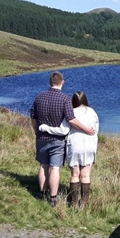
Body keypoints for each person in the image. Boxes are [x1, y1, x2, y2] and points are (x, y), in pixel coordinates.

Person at [29, 72, 94, 207]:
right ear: (62, 82)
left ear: (50, 82)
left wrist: (36, 131)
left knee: (43, 166)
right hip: (58, 140)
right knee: (55, 168)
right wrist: (87, 130)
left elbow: (33, 117)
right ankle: (53, 197)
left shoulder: (39, 97)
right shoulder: (65, 99)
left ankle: (41, 193)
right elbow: (71, 120)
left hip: (41, 138)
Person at [39, 90, 99, 207]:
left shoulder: (71, 112)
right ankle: (84, 203)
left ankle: (74, 202)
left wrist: (45, 128)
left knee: (75, 175)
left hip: (75, 145)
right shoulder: (92, 112)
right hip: (90, 145)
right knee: (85, 175)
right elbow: (95, 130)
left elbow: (63, 130)